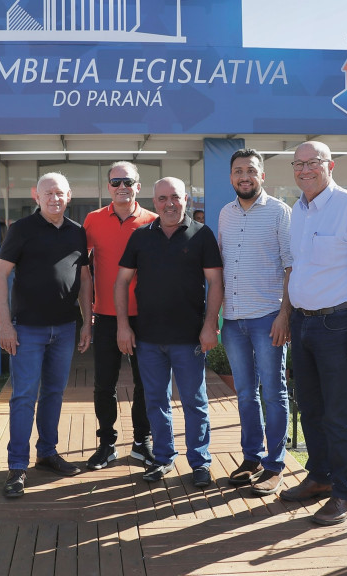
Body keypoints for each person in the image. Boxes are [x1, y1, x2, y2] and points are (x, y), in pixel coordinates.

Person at [279, 141, 347, 525]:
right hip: (303, 324)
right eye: (298, 164)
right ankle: (321, 477)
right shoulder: (299, 210)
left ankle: (346, 492)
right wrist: (289, 316)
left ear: (330, 165)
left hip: (340, 325)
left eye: (313, 163)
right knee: (309, 406)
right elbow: (299, 270)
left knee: (339, 414)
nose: (305, 169)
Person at [116, 177, 223, 487]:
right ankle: (163, 458)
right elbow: (121, 282)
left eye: (175, 197)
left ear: (186, 199)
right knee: (156, 401)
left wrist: (209, 325)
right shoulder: (140, 237)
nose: (169, 204)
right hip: (148, 338)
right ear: (154, 202)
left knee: (195, 402)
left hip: (189, 337)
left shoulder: (201, 234)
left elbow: (215, 282)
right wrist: (123, 325)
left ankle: (200, 462)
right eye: (162, 198)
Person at [0, 172, 92, 498]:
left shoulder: (78, 233)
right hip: (27, 330)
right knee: (23, 397)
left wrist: (87, 322)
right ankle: (17, 466)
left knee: (54, 394)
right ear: (37, 195)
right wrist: (5, 325)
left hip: (64, 329)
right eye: (48, 193)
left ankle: (47, 453)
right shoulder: (21, 230)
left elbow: (85, 280)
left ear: (69, 195)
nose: (54, 198)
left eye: (60, 193)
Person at [218, 149, 292, 496]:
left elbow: (292, 267)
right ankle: (252, 458)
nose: (244, 176)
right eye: (238, 171)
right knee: (246, 395)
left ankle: (275, 465)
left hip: (267, 319)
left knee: (273, 393)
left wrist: (284, 315)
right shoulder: (224, 214)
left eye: (250, 170)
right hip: (233, 321)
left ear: (262, 176)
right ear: (231, 177)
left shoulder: (280, 212)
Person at [83, 161, 157, 470]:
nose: (122, 186)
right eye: (116, 182)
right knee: (104, 384)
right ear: (108, 187)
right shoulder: (92, 220)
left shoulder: (153, 221)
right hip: (106, 315)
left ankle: (142, 442)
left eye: (128, 181)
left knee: (146, 384)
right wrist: (86, 321)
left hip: (146, 317)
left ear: (139, 186)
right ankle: (107, 443)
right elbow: (81, 270)